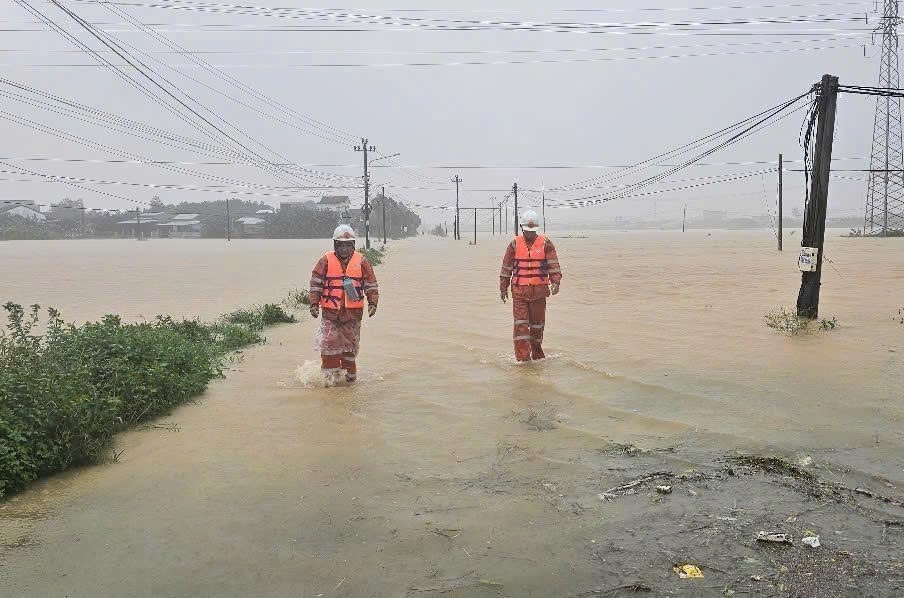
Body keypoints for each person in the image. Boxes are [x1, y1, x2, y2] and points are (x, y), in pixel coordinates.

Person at [308, 225, 379, 385]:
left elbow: (371, 284)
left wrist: (372, 302)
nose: (344, 249)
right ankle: (329, 384)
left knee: (349, 350)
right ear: (335, 245)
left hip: (352, 316)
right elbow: (316, 283)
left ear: (353, 245)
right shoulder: (325, 260)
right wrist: (314, 303)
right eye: (341, 245)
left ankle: (349, 385)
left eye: (348, 245)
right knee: (329, 348)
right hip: (330, 315)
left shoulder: (362, 261)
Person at [499, 210, 562, 362]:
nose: (530, 233)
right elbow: (506, 267)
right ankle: (522, 360)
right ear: (522, 228)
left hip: (539, 293)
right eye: (527, 230)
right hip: (520, 293)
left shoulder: (546, 243)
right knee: (520, 327)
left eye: (532, 231)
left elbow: (553, 264)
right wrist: (503, 287)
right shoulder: (514, 244)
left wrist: (556, 281)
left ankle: (538, 357)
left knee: (537, 328)